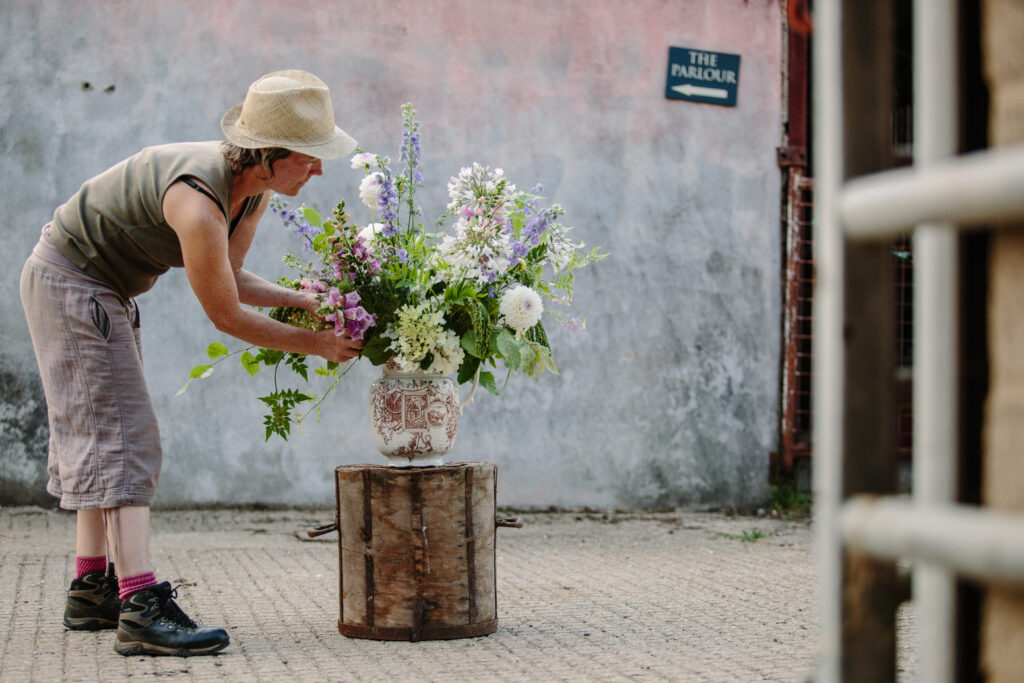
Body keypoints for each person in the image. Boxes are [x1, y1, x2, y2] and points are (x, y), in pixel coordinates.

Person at [19, 70, 362, 657]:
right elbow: (225, 314)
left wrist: (306, 301)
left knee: (102, 431)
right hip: (74, 285)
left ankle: (91, 588)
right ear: (269, 154)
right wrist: (318, 344)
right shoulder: (198, 197)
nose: (320, 169)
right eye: (310, 156)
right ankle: (140, 606)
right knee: (124, 437)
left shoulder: (249, 190)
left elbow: (231, 277)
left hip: (96, 288)